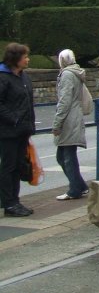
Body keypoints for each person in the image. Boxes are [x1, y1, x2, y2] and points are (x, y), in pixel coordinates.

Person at [0, 43, 36, 217]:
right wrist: (13, 119)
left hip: (22, 130)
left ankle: (15, 200)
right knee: (9, 166)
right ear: (16, 59)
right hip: (7, 131)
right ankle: (9, 203)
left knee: (19, 166)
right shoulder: (3, 77)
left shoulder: (24, 77)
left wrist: (29, 126)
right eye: (25, 57)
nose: (28, 60)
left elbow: (28, 103)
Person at [53, 49, 88, 201]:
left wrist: (57, 123)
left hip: (68, 120)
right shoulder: (76, 72)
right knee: (65, 155)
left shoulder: (67, 75)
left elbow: (64, 101)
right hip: (74, 117)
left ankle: (75, 189)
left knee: (66, 156)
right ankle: (80, 186)